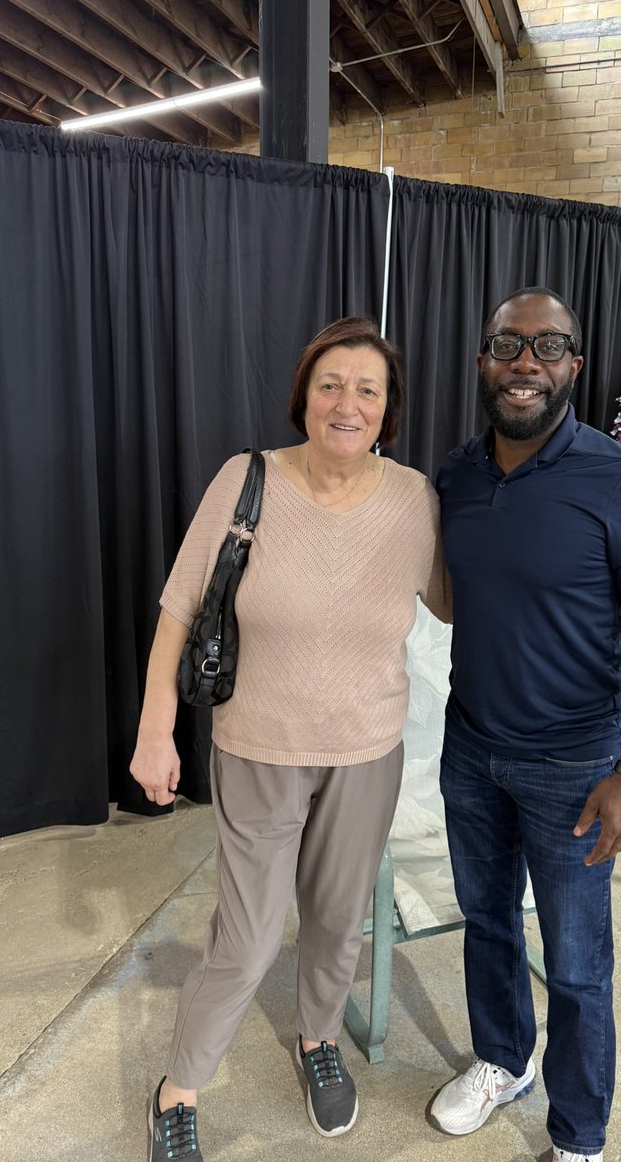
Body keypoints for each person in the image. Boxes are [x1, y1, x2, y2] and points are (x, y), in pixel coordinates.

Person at [130, 315, 451, 1161]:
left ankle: (318, 1041)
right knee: (245, 938)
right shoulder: (249, 480)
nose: (348, 404)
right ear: (304, 397)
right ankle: (178, 1088)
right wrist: (154, 728)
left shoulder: (416, 500)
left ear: (389, 411)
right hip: (258, 748)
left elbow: (461, 599)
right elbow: (178, 608)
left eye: (368, 391)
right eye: (331, 385)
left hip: (368, 751)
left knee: (339, 921)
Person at [430, 287, 621, 1162]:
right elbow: (452, 600)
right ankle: (505, 1059)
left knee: (578, 964)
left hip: (574, 767)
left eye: (547, 346)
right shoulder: (456, 473)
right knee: (488, 922)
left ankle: (580, 1134)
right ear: (482, 363)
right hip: (471, 752)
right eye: (507, 344)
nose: (525, 363)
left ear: (575, 364)